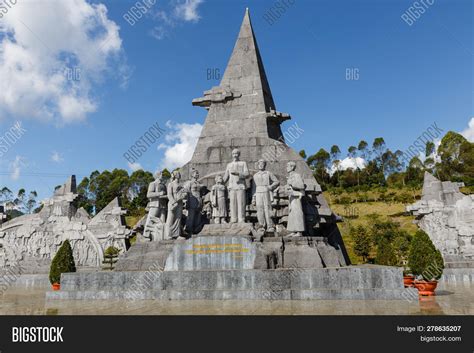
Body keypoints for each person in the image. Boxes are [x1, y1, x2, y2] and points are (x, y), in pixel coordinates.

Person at [252, 159, 279, 232]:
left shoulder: (268, 173)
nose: (261, 165)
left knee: (267, 209)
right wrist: (253, 198)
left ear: (265, 165)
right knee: (259, 209)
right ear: (258, 165)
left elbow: (276, 181)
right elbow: (254, 188)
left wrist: (271, 187)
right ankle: (261, 226)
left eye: (262, 163)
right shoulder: (255, 175)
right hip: (258, 192)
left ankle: (270, 226)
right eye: (259, 163)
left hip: (266, 191)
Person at [223, 148, 249, 223]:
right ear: (232, 155)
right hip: (232, 186)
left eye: (236, 153)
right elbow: (226, 176)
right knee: (232, 203)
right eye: (234, 153)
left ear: (239, 154)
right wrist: (220, 183)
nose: (235, 155)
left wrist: (238, 173)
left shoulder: (243, 163)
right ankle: (233, 218)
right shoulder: (229, 165)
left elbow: (247, 174)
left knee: (241, 203)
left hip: (240, 186)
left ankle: (241, 218)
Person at [164, 171, 186, 239]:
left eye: (179, 173)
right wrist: (174, 202)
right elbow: (169, 195)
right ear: (175, 175)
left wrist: (184, 195)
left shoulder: (181, 184)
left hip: (180, 203)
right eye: (177, 174)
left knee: (178, 219)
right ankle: (168, 235)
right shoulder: (171, 184)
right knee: (170, 219)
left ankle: (177, 235)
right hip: (173, 203)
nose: (179, 174)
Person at [286, 161, 306, 237]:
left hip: (296, 196)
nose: (286, 168)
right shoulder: (290, 176)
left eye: (287, 166)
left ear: (292, 167)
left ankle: (299, 231)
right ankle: (294, 230)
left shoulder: (297, 175)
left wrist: (292, 183)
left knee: (297, 212)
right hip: (291, 196)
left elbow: (301, 185)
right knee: (292, 213)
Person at [184, 169, 204, 234]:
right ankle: (188, 229)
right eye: (196, 173)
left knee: (198, 215)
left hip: (199, 199)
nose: (197, 174)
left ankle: (196, 230)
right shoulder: (189, 183)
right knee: (191, 216)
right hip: (192, 199)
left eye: (198, 173)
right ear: (192, 174)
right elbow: (186, 191)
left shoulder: (198, 183)